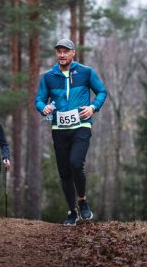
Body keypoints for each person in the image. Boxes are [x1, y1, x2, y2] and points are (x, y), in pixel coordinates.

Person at [34, 38, 107, 226]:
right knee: (64, 172)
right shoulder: (49, 77)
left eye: (65, 51)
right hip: (59, 129)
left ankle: (82, 200)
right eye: (59, 51)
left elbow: (101, 92)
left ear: (73, 53)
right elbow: (39, 100)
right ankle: (72, 211)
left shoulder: (86, 72)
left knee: (76, 163)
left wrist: (93, 107)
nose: (62, 55)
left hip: (81, 126)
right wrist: (44, 108)